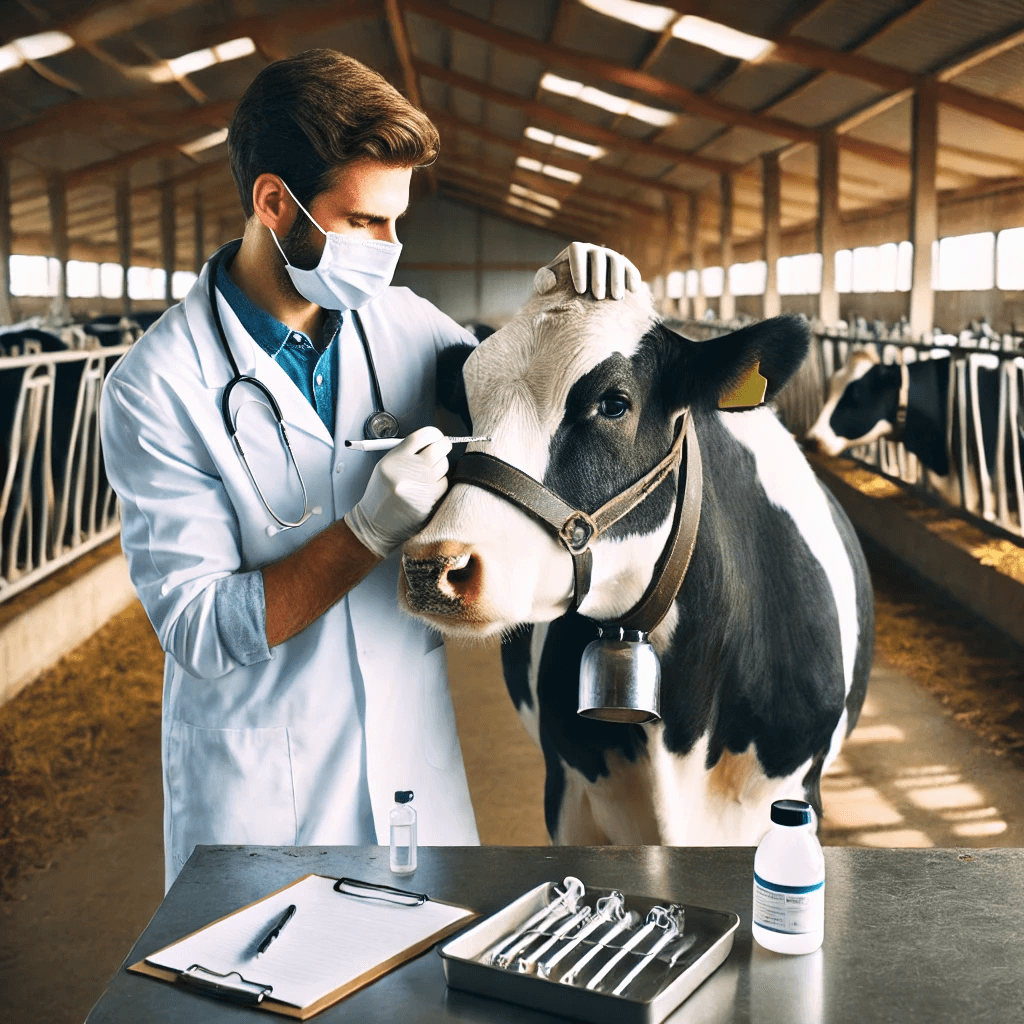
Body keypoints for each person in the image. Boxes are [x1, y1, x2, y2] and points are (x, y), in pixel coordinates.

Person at [100, 49, 641, 890]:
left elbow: (528, 409)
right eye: (364, 222)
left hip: (407, 769)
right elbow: (202, 633)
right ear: (274, 203)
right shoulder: (157, 387)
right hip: (260, 792)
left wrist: (571, 304)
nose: (390, 249)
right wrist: (366, 534)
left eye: (398, 222)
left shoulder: (403, 324)